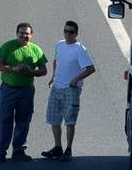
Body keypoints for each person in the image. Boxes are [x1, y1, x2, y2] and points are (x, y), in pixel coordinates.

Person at [0, 22, 47, 163]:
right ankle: (0, 152)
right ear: (17, 34)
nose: (24, 36)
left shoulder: (36, 50)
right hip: (8, 89)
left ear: (31, 35)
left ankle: (19, 150)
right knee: (4, 119)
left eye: (27, 33)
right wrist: (13, 69)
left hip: (26, 91)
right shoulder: (7, 47)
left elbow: (43, 71)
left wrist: (31, 72)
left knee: (24, 120)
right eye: (22, 33)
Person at [41, 20, 95, 162]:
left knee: (69, 121)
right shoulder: (59, 45)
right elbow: (55, 61)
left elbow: (90, 68)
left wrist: (75, 80)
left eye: (71, 32)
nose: (67, 34)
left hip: (71, 89)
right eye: (65, 31)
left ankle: (68, 150)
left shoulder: (80, 49)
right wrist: (53, 76)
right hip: (57, 87)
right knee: (54, 119)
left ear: (76, 34)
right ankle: (57, 147)